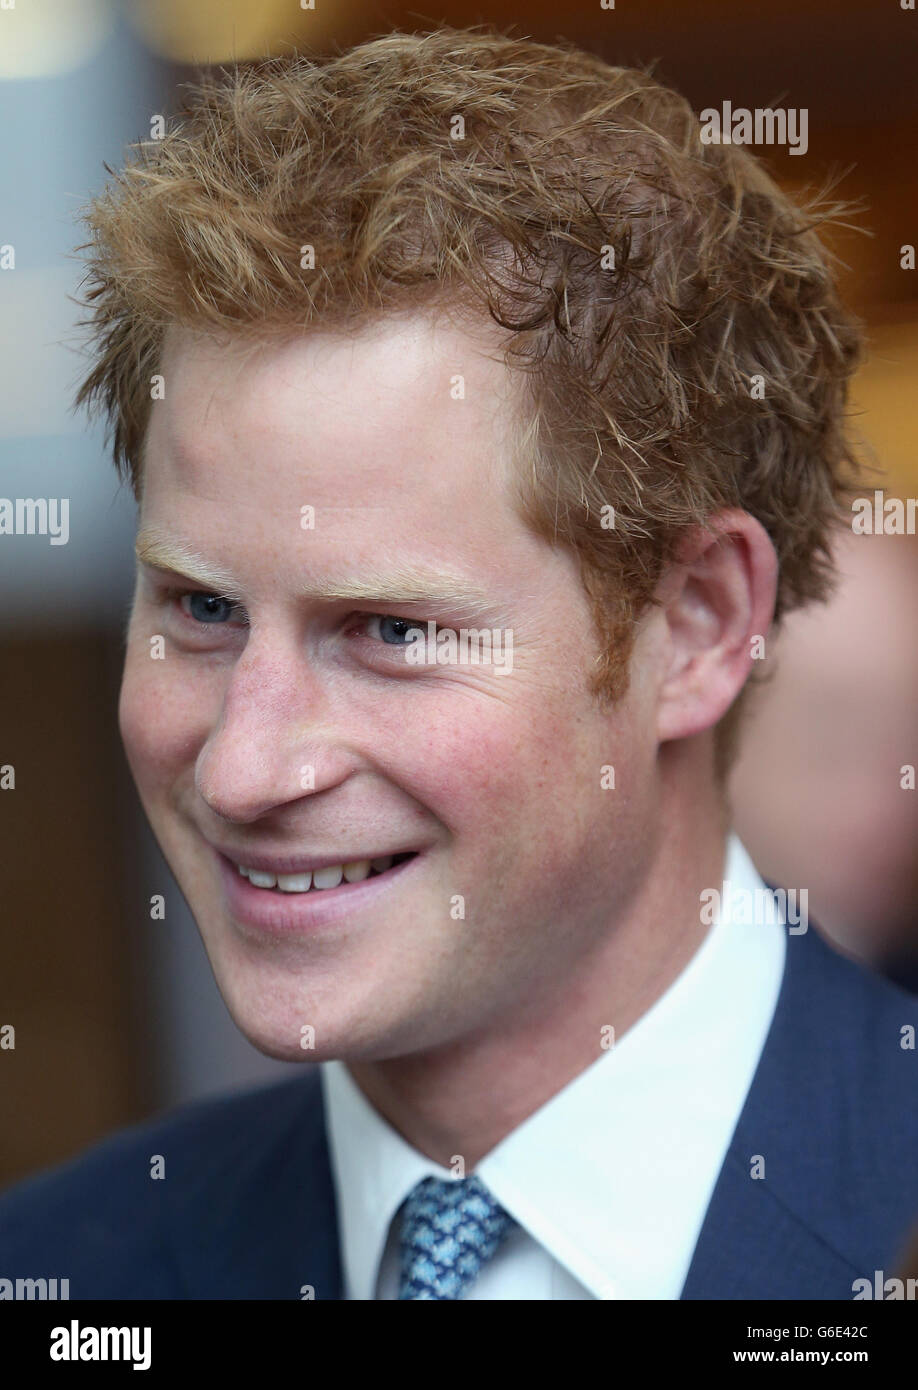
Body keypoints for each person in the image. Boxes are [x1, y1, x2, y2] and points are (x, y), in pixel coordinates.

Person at [2, 26, 916, 1301]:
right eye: (202, 608)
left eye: (389, 631)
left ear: (700, 625)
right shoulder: (56, 1275)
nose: (247, 764)